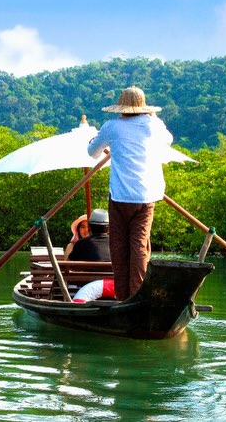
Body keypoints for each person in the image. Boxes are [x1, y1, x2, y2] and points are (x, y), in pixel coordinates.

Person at [87, 86, 174, 300]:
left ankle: (123, 298)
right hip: (147, 197)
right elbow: (168, 140)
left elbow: (92, 152)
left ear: (121, 108)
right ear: (144, 108)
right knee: (139, 246)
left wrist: (95, 142)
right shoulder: (154, 125)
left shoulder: (112, 127)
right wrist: (152, 117)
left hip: (120, 197)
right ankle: (137, 297)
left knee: (119, 247)